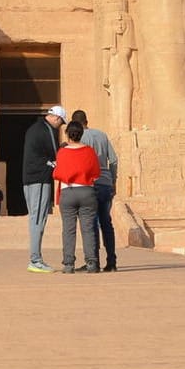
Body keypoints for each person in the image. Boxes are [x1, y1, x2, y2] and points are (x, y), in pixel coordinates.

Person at [72, 109, 119, 272]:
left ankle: (93, 261)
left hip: (89, 183)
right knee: (106, 222)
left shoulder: (79, 138)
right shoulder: (102, 135)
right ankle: (112, 261)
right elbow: (113, 159)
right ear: (87, 120)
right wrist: (113, 180)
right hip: (105, 182)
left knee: (90, 223)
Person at [53, 120, 102, 274]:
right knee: (88, 229)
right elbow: (96, 173)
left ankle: (68, 264)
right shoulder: (89, 151)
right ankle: (92, 263)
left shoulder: (62, 152)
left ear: (67, 134)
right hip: (87, 191)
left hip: (68, 192)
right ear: (82, 134)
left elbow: (57, 174)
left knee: (68, 229)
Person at [22, 106, 66, 272]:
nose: (60, 126)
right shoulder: (46, 130)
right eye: (61, 123)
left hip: (30, 178)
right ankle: (35, 259)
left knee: (36, 218)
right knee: (38, 219)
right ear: (55, 118)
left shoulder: (34, 128)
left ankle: (36, 258)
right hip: (39, 178)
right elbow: (54, 155)